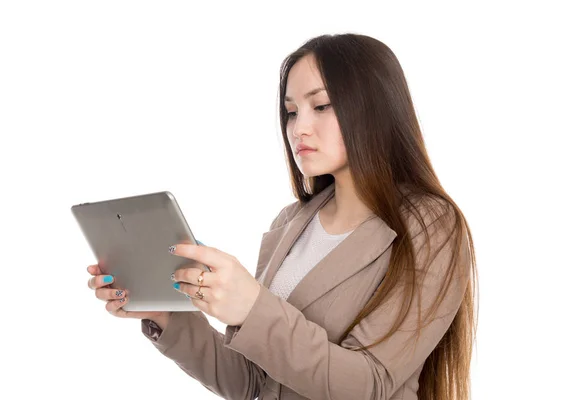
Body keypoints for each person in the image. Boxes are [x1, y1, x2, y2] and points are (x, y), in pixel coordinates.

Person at [86, 33, 478, 400]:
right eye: (291, 112)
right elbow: (249, 381)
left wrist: (251, 307)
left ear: (373, 108)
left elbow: (370, 383)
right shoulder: (291, 222)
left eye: (321, 106)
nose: (298, 128)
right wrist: (164, 314)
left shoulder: (430, 225)